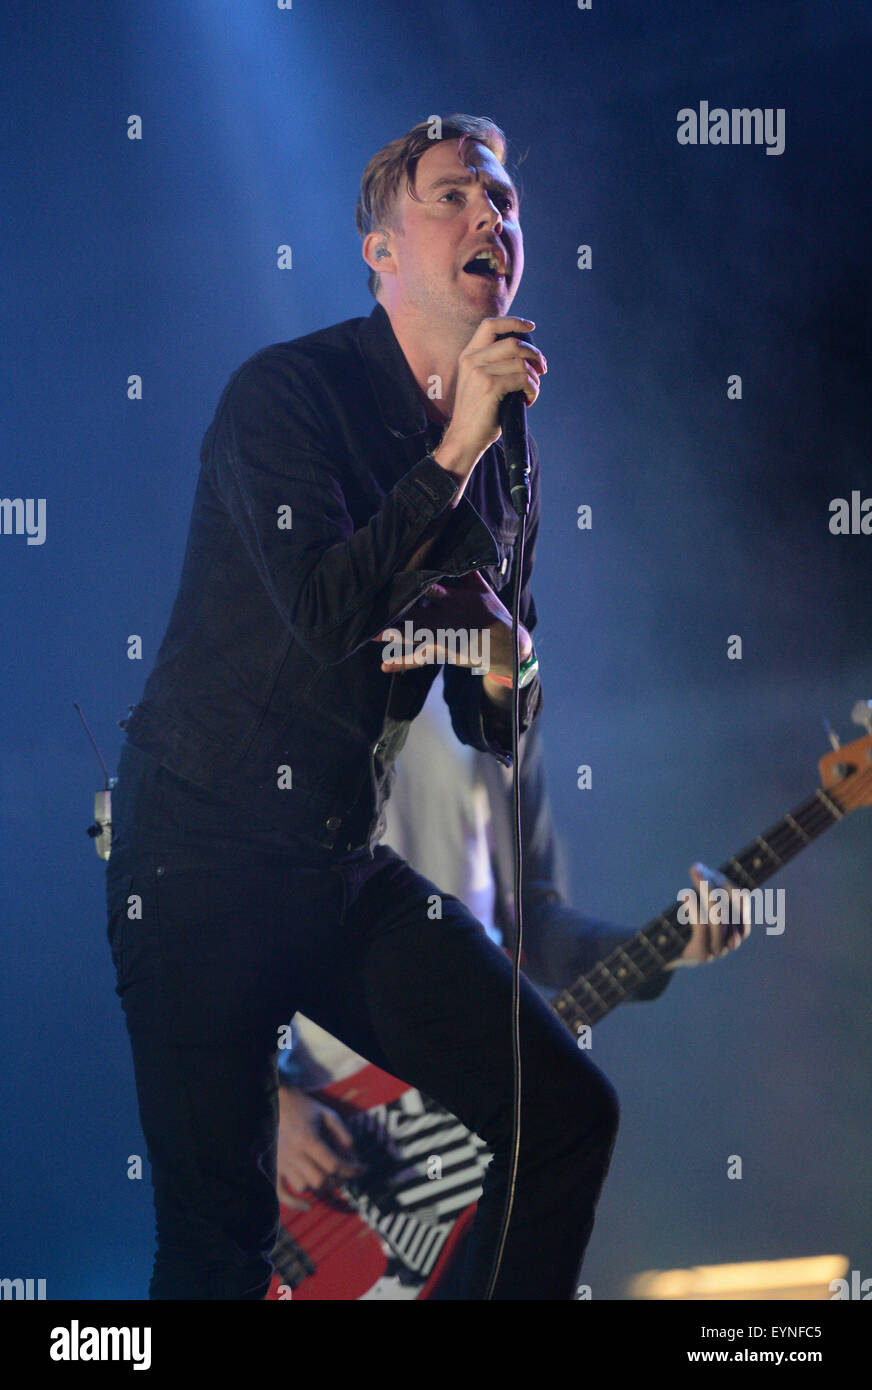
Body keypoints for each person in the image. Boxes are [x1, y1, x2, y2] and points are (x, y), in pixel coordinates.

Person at [106, 114, 747, 1301]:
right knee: (216, 1242)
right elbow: (321, 609)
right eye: (453, 194)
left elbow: (491, 724)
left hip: (334, 859)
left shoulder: (504, 454)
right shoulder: (287, 396)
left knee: (564, 1114)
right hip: (195, 851)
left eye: (503, 200)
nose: (489, 218)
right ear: (380, 250)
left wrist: (511, 668)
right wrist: (454, 444)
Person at [274, 675, 747, 1300]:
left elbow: (537, 923)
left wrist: (666, 947)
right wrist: (269, 1098)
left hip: (479, 1093)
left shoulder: (498, 678)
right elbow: (221, 916)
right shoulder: (303, 662)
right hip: (338, 1114)